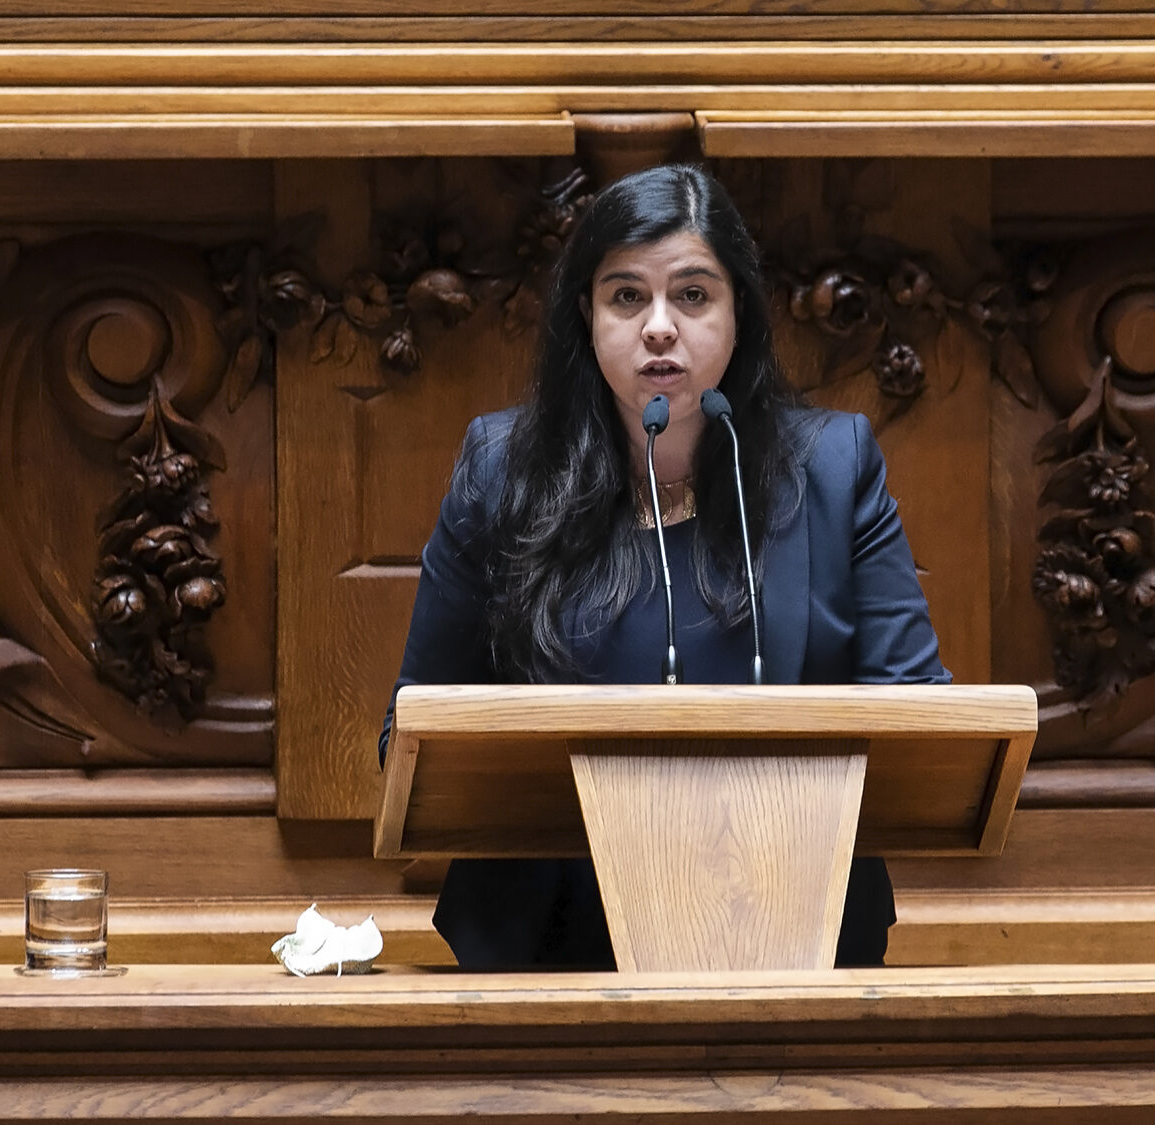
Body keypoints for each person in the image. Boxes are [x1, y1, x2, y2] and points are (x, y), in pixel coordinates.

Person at [381, 163, 948, 970]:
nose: (658, 327)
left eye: (691, 295)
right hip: (550, 949)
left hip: (800, 931)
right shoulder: (503, 470)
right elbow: (416, 728)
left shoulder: (832, 466)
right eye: (626, 296)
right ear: (587, 315)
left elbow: (920, 719)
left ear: (738, 313)